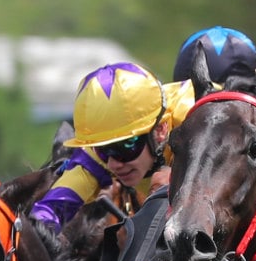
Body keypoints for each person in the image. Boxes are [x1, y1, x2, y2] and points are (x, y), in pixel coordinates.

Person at [30, 61, 196, 232]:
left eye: (123, 147)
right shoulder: (95, 157)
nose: (113, 164)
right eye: (103, 150)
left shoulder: (194, 124)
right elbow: (50, 209)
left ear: (161, 130)